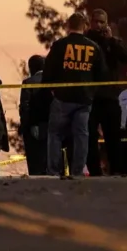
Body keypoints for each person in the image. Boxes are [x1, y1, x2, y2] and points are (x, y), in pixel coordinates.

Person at [42, 12, 107, 177]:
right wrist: (91, 93)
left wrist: (52, 89)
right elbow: (102, 74)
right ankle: (77, 171)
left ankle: (54, 171)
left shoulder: (60, 45)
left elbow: (48, 70)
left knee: (55, 134)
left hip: (62, 97)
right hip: (84, 99)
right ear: (84, 26)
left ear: (68, 26)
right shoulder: (93, 47)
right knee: (81, 136)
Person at [84, 9, 127, 175]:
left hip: (110, 96)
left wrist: (111, 40)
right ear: (90, 22)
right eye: (95, 21)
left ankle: (117, 170)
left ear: (106, 23)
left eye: (101, 22)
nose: (98, 25)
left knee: (113, 136)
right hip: (91, 97)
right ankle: (95, 171)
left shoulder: (112, 42)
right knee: (90, 137)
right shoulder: (85, 40)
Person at [19, 55, 49, 176]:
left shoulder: (28, 83)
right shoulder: (51, 82)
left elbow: (25, 107)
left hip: (33, 127)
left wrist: (25, 125)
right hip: (51, 125)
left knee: (35, 162)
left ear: (31, 67)